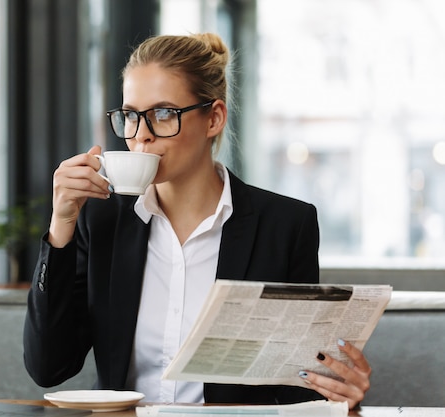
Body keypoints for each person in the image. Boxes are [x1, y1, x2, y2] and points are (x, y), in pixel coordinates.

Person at [23, 33, 371, 409]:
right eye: (130, 116)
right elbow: (49, 367)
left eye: (163, 114)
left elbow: (291, 383)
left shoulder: (285, 226)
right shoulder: (102, 219)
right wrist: (61, 227)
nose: (141, 136)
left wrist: (335, 393)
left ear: (214, 118)